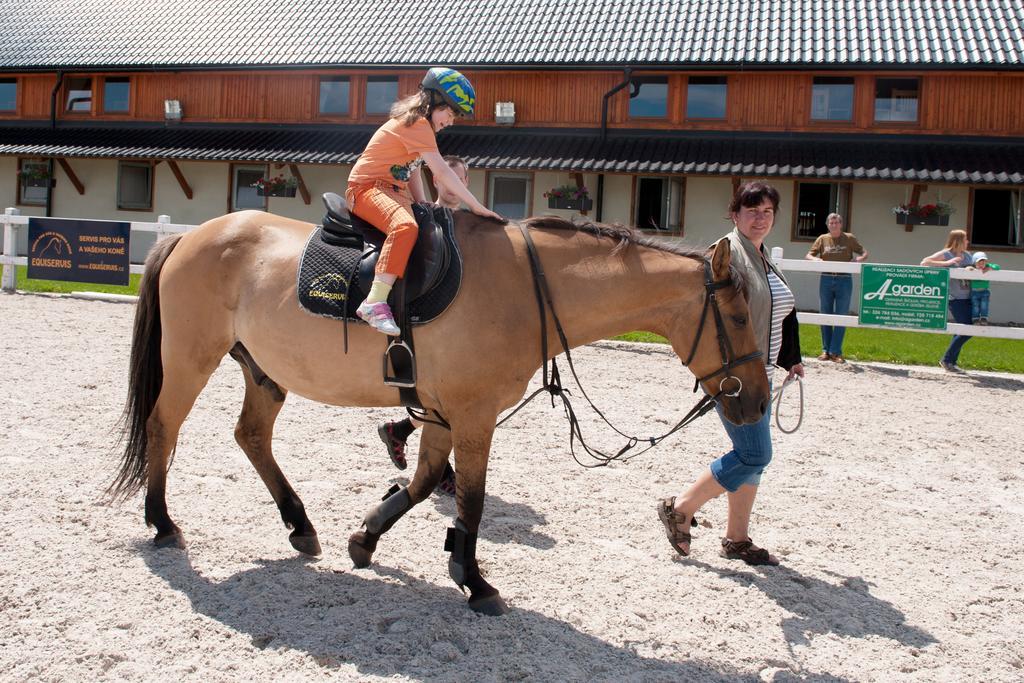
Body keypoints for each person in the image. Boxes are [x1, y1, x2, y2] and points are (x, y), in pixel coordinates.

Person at [657, 181, 805, 566]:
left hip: (763, 371)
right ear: (735, 215)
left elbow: (780, 309)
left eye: (767, 211)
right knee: (755, 453)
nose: (761, 218)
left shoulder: (761, 255)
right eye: (752, 211)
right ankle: (682, 507)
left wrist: (791, 357)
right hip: (736, 375)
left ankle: (737, 538)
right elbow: (713, 317)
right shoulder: (727, 255)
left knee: (752, 457)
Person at [345, 67, 501, 335]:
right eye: (449, 113)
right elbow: (440, 171)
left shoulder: (419, 128)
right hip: (366, 188)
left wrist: (423, 203)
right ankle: (374, 301)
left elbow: (413, 168)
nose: (450, 122)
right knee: (405, 228)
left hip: (395, 191)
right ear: (433, 103)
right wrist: (476, 207)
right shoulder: (417, 123)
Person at [377, 154, 471, 496]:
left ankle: (399, 430)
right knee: (444, 402)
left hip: (460, 324)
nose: (454, 186)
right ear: (436, 182)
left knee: (446, 401)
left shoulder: (469, 224)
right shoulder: (425, 220)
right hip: (428, 321)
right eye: (448, 179)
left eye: (460, 180)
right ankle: (438, 470)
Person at [804, 213, 868, 363]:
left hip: (844, 279)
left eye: (836, 223)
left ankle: (836, 351)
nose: (834, 225)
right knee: (825, 313)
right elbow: (808, 255)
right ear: (827, 225)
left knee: (841, 314)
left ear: (841, 224)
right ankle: (825, 350)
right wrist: (816, 259)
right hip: (826, 278)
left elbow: (864, 252)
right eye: (831, 223)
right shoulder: (822, 239)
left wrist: (857, 259)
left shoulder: (849, 238)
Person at [921, 229, 975, 372]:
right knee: (967, 329)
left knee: (964, 329)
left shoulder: (968, 256)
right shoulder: (946, 253)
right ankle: (947, 359)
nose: (967, 242)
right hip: (955, 298)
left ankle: (950, 362)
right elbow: (925, 262)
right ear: (958, 240)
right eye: (965, 239)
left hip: (969, 297)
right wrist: (948, 262)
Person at [967, 251, 999, 325]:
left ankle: (984, 318)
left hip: (984, 291)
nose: (981, 265)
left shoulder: (987, 266)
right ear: (974, 263)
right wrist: (969, 268)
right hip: (974, 291)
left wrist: (990, 267)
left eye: (983, 263)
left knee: (984, 305)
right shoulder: (972, 268)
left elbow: (997, 266)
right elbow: (967, 268)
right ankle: (975, 319)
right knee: (975, 306)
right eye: (979, 263)